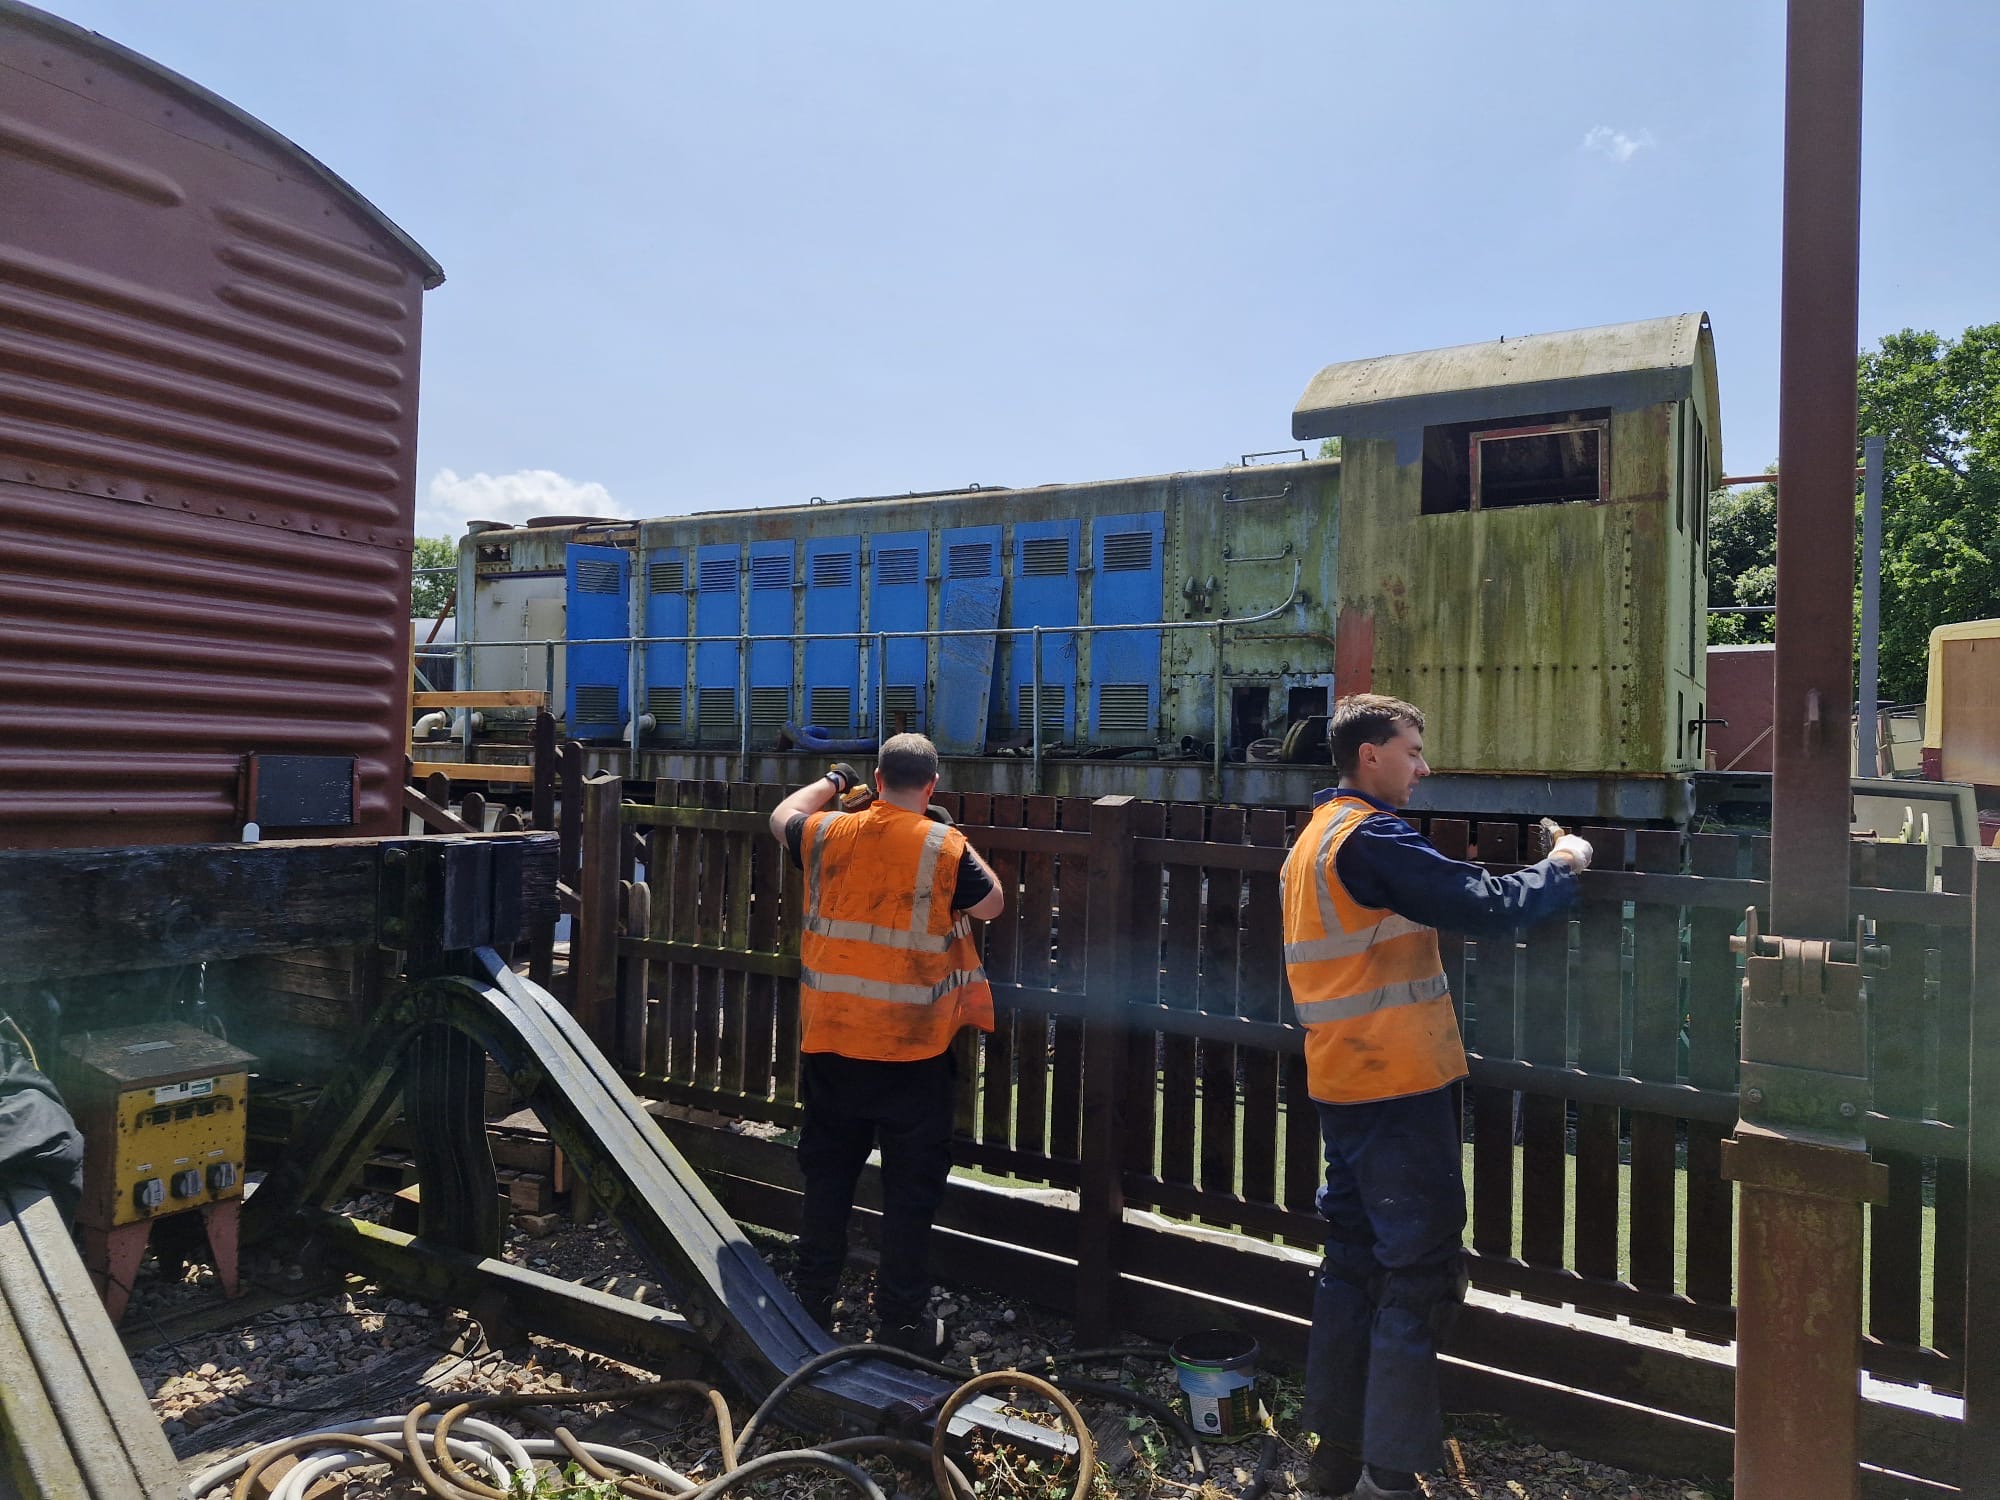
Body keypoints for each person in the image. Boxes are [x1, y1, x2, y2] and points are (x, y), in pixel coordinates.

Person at [1284, 695, 1592, 1500]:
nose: (1423, 767)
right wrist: (1563, 865)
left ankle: (1334, 1459)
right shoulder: (1370, 837)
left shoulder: (1313, 839)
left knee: (1352, 1262)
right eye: (1413, 750)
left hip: (1343, 1080)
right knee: (1418, 1270)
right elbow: (1484, 906)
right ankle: (1389, 1473)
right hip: (1398, 1083)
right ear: (1371, 755)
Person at [766, 732, 1005, 1356]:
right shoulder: (942, 845)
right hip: (911, 1053)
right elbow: (993, 905)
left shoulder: (827, 833)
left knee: (828, 1176)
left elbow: (782, 815)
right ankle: (900, 1321)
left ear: (876, 777)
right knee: (910, 1192)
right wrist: (948, 831)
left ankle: (812, 1301)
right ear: (931, 786)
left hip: (832, 1041)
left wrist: (834, 781)